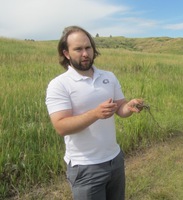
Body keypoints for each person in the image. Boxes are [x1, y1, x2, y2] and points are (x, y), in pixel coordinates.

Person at [45, 25, 143, 200]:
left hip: (115, 160)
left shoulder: (109, 77)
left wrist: (129, 107)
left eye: (88, 47)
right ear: (66, 53)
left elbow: (120, 108)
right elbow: (61, 126)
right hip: (85, 168)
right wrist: (95, 114)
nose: (85, 53)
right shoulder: (59, 85)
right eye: (78, 49)